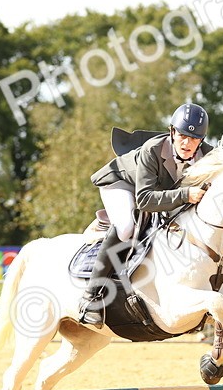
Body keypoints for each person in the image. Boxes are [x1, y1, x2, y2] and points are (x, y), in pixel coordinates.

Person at [78, 103, 215, 328]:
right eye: (182, 135)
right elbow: (144, 200)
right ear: (172, 132)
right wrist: (186, 194)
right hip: (122, 184)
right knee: (125, 228)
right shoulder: (153, 149)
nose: (187, 143)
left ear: (202, 139)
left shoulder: (208, 155)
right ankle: (91, 297)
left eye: (194, 138)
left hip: (158, 191)